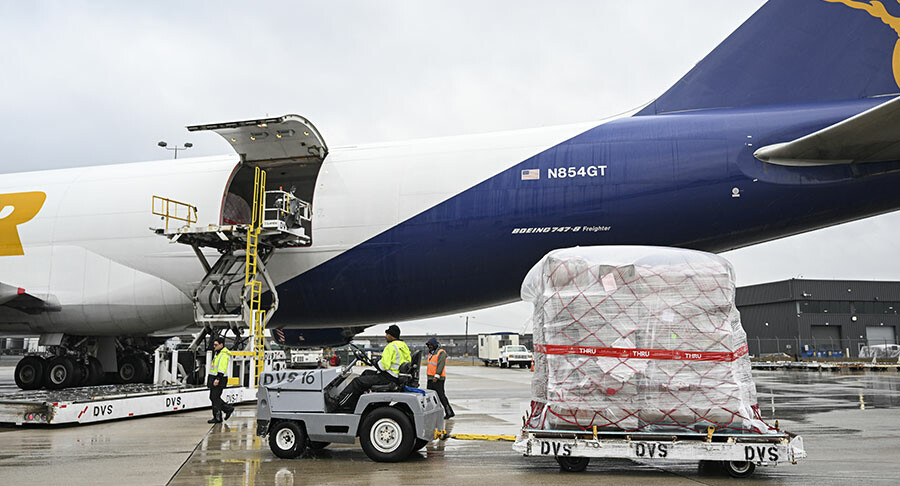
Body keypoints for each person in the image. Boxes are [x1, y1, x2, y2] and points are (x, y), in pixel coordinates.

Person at [337, 324, 410, 410]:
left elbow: (384, 366)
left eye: (387, 334)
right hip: (397, 377)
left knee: (357, 382)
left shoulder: (391, 347)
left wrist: (376, 362)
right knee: (366, 373)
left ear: (391, 335)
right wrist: (376, 362)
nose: (386, 336)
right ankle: (356, 402)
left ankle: (339, 403)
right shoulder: (403, 346)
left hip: (389, 377)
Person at [207, 336, 235, 424]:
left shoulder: (223, 354)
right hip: (214, 377)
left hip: (219, 378)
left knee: (214, 397)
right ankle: (226, 410)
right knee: (214, 397)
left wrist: (218, 378)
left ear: (221, 345)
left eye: (216, 345)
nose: (214, 346)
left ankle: (219, 416)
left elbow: (222, 368)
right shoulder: (218, 353)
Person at [426, 338, 455, 420]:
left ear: (435, 345)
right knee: (430, 396)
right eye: (429, 345)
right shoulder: (431, 353)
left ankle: (449, 412)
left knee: (441, 395)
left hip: (438, 378)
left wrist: (437, 376)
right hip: (430, 377)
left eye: (431, 345)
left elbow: (441, 365)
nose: (430, 346)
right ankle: (433, 412)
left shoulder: (441, 352)